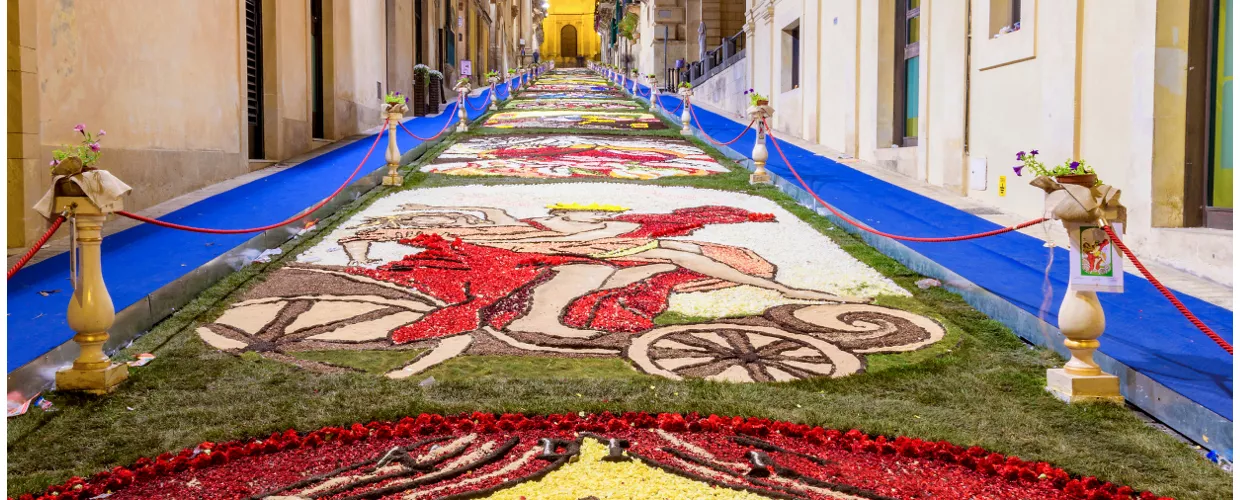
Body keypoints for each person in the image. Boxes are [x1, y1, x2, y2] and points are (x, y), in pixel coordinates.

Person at [338, 203, 866, 343]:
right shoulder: (511, 227)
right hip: (524, 262)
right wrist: (403, 227)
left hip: (590, 254)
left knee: (663, 253)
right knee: (646, 257)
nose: (586, 214)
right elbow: (490, 221)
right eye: (579, 214)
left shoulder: (599, 230)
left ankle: (777, 288)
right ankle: (542, 323)